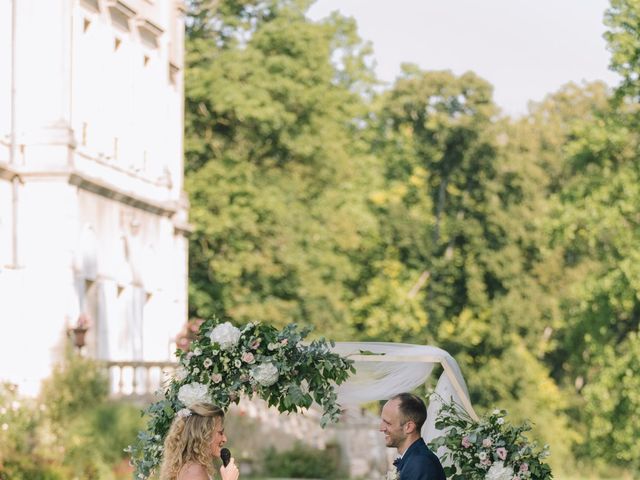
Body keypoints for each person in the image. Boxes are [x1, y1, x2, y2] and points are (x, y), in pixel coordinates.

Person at [159, 402, 240, 480]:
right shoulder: (194, 472)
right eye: (220, 433)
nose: (224, 439)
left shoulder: (192, 467)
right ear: (204, 435)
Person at [380, 393, 445, 480]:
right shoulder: (412, 459)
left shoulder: (420, 463)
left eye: (388, 423)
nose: (381, 428)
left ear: (409, 427)